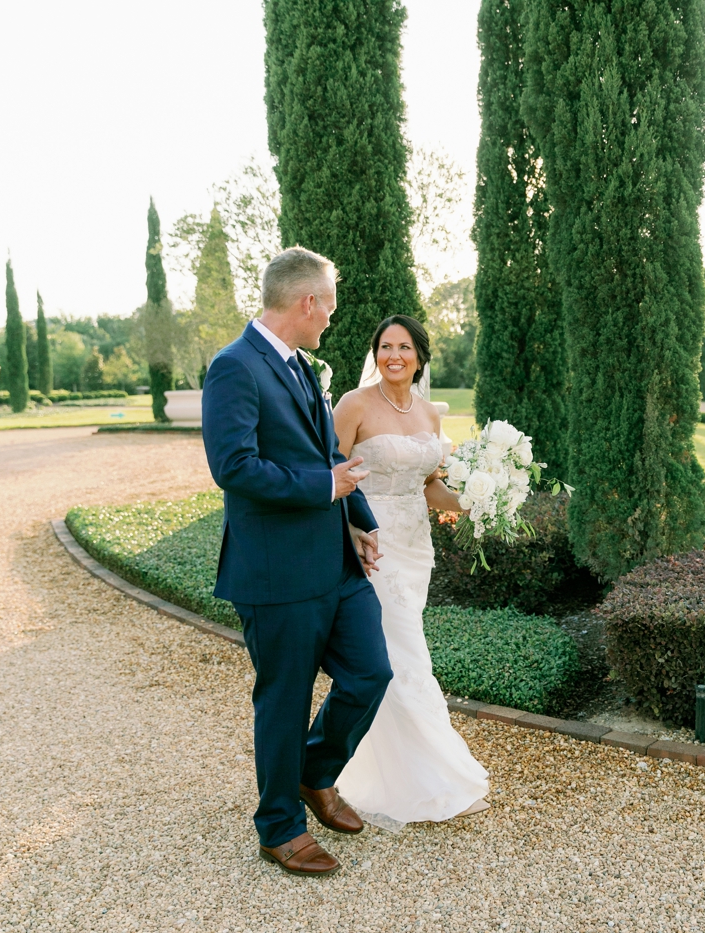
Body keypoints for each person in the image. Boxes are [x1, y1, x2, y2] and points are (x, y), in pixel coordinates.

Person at [201, 246, 391, 877]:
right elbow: (234, 467)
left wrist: (359, 520)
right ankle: (279, 828)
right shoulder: (234, 367)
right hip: (276, 572)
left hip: (336, 563)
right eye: (329, 306)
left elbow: (327, 455)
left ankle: (314, 772)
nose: (331, 318)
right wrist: (324, 489)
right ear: (308, 302)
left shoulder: (303, 367)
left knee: (370, 674)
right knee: (284, 702)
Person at [330, 314, 490, 829]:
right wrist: (348, 532)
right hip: (371, 546)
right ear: (375, 353)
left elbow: (429, 486)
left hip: (415, 546)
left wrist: (476, 500)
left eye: (403, 347)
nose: (392, 356)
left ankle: (390, 771)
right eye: (384, 346)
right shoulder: (354, 405)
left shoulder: (428, 414)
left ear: (419, 356)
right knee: (402, 655)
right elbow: (327, 477)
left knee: (403, 649)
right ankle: (430, 778)